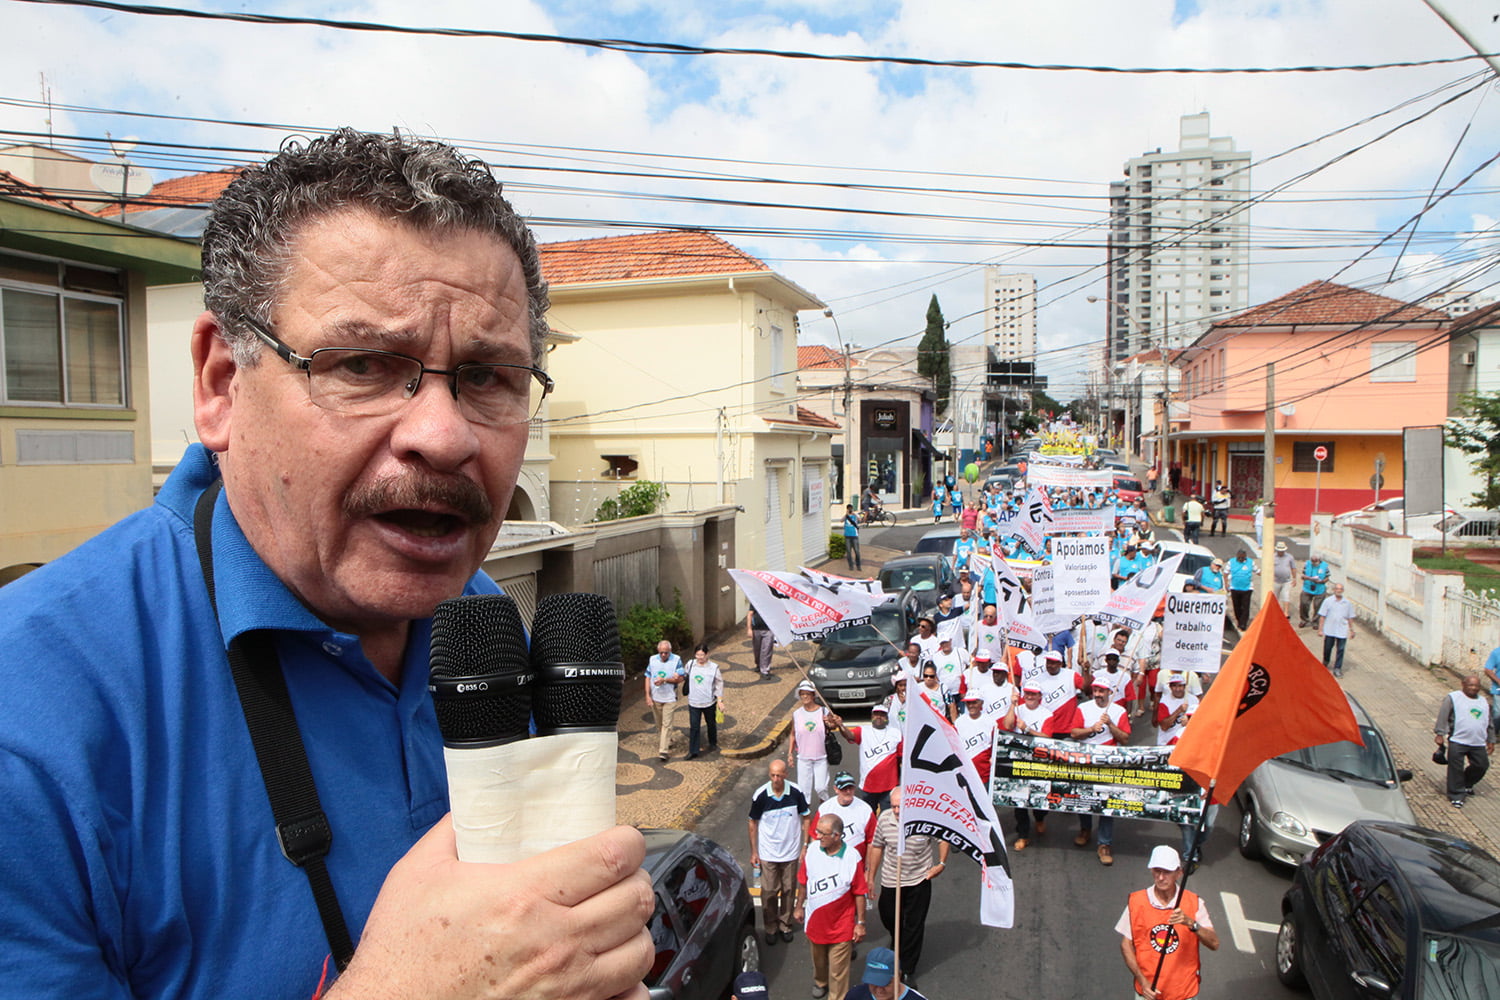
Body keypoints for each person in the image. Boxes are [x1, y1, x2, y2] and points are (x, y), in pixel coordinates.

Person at [0, 130, 654, 1000]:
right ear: (222, 384)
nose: (445, 434)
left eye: (490, 377)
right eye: (362, 365)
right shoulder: (30, 728)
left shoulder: (483, 624)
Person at [865, 787, 948, 988]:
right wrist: (871, 877)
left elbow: (942, 839)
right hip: (892, 880)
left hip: (918, 880)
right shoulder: (884, 819)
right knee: (890, 918)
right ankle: (897, 939)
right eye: (893, 806)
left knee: (914, 924)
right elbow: (877, 846)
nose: (895, 810)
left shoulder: (925, 818)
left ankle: (906, 969)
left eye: (899, 807)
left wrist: (941, 864)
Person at [1117, 846, 1219, 1000]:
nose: (1161, 877)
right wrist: (1142, 980)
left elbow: (1214, 943)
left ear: (1179, 873)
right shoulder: (1136, 902)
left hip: (1183, 992)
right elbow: (1126, 945)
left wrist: (1191, 923)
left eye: (1167, 872)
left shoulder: (1194, 903)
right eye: (1157, 871)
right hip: (1148, 992)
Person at [795, 814, 868, 1000]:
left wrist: (860, 922)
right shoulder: (812, 851)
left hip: (842, 927)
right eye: (817, 831)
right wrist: (798, 907)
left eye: (823, 833)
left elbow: (859, 892)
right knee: (819, 962)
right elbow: (803, 882)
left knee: (838, 972)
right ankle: (820, 981)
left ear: (837, 836)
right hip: (815, 923)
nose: (817, 836)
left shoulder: (852, 858)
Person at [1062, 679, 1131, 865]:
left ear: (1109, 692)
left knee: (1106, 803)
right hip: (1085, 761)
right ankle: (1085, 829)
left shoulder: (1119, 711)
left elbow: (1124, 739)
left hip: (1108, 763)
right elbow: (1074, 733)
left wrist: (1111, 725)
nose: (1099, 694)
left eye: (1102, 691)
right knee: (1084, 797)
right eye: (1096, 691)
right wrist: (1091, 729)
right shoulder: (1083, 708)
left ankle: (1104, 843)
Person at [749, 759, 812, 946]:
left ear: (786, 775)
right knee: (768, 891)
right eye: (772, 775)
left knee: (788, 889)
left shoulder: (796, 793)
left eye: (779, 775)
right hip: (768, 852)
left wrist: (805, 845)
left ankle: (786, 924)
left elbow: (806, 817)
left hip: (790, 852)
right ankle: (770, 926)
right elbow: (753, 822)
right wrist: (754, 851)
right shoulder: (760, 796)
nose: (776, 779)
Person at [1434, 674, 1496, 809]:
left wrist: (1491, 740)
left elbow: (1489, 721)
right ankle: (1456, 795)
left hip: (1478, 742)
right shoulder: (1454, 698)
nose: (1474, 688)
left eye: (1476, 686)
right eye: (1471, 685)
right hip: (1458, 740)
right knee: (1456, 768)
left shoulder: (1483, 701)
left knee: (1481, 765)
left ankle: (1466, 783)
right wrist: (1440, 733)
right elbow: (1443, 715)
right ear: (1463, 684)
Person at [831, 705, 901, 812]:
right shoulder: (863, 730)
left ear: (887, 717)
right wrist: (841, 725)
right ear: (871, 716)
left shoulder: (896, 733)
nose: (879, 717)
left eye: (882, 715)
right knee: (868, 817)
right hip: (868, 786)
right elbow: (849, 736)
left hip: (889, 786)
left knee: (887, 817)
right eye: (876, 714)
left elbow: (901, 757)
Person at [791, 681, 836, 804]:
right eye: (802, 694)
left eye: (807, 694)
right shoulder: (796, 714)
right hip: (803, 759)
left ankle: (823, 813)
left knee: (821, 788)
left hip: (821, 758)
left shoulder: (823, 711)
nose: (805, 697)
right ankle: (806, 820)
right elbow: (793, 734)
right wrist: (790, 753)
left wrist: (829, 722)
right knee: (803, 792)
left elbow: (833, 726)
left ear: (813, 695)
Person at [817, 772, 877, 859]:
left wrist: (868, 868)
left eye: (851, 788)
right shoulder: (825, 808)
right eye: (844, 788)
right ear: (836, 789)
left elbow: (872, 841)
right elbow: (815, 837)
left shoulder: (865, 810)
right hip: (830, 862)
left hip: (857, 863)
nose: (848, 791)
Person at [646, 639, 686, 761]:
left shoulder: (676, 660)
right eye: (661, 653)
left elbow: (681, 678)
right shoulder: (652, 660)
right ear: (658, 651)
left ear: (670, 651)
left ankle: (663, 750)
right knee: (659, 724)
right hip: (656, 697)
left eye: (666, 653)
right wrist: (647, 695)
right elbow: (647, 677)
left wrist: (665, 680)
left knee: (667, 724)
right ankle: (668, 740)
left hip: (670, 697)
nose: (664, 655)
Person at [842, 947, 930, 1000]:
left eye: (886, 983)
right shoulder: (855, 995)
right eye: (874, 982)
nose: (879, 989)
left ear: (898, 975)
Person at [685, 642, 725, 758]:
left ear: (707, 654)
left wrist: (720, 700)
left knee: (711, 724)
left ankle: (713, 742)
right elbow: (684, 675)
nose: (700, 658)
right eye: (697, 655)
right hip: (694, 702)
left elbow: (719, 684)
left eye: (702, 655)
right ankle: (693, 750)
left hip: (709, 702)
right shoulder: (690, 664)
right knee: (694, 726)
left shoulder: (713, 668)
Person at [1317, 583, 1356, 677]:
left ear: (1342, 591)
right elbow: (1322, 616)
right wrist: (1320, 629)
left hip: (1342, 630)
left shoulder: (1347, 603)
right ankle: (1325, 661)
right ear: (1334, 590)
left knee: (1341, 649)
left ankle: (1337, 668)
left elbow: (1350, 617)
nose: (1339, 590)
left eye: (1341, 589)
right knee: (1327, 648)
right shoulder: (1328, 601)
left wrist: (1352, 630)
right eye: (1337, 589)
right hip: (1330, 629)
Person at [1226, 550, 1257, 631]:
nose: (1241, 559)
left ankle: (1243, 624)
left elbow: (1258, 571)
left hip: (1247, 588)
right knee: (1237, 606)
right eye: (1239, 557)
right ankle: (1239, 621)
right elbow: (1225, 573)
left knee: (1245, 607)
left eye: (1242, 557)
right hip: (1234, 588)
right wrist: (1226, 584)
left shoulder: (1250, 562)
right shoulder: (1231, 562)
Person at [1299, 552, 1330, 628]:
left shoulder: (1325, 566)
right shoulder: (1307, 564)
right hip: (1307, 587)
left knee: (1318, 605)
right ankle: (1304, 619)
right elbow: (1302, 575)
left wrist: (1321, 581)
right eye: (1312, 561)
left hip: (1319, 588)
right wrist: (1305, 578)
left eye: (1315, 561)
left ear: (1319, 560)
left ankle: (1315, 621)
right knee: (1303, 603)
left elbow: (1327, 577)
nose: (1314, 563)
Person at [749, 607, 776, 678]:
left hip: (769, 629)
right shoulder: (754, 599)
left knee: (766, 650)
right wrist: (749, 629)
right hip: (756, 629)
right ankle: (758, 664)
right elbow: (750, 614)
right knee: (756, 650)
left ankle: (764, 670)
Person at [1271, 541, 1298, 607]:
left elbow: (1293, 568)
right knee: (1275, 597)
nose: (1281, 552)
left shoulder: (1289, 557)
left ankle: (1286, 612)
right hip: (1276, 580)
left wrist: (1294, 578)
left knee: (1286, 596)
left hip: (1286, 581)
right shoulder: (1273, 557)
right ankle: (1275, 611)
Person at [843, 504, 863, 572]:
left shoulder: (855, 516)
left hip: (854, 536)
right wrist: (846, 514)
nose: (850, 510)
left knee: (857, 551)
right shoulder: (846, 516)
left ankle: (858, 565)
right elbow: (841, 520)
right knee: (848, 552)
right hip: (847, 536)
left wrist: (855, 514)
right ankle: (851, 566)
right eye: (849, 509)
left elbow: (860, 519)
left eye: (850, 509)